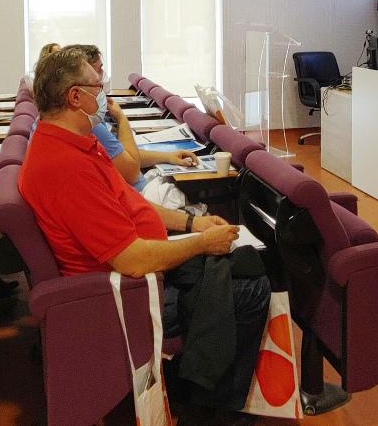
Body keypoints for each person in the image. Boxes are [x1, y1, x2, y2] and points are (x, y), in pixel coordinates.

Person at [19, 50, 270, 421]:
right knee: (251, 290)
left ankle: (196, 384)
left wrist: (191, 225)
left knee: (243, 265)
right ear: (75, 97)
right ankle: (212, 405)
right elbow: (132, 260)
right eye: (97, 87)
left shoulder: (75, 142)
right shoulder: (65, 166)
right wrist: (200, 243)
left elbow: (131, 203)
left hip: (137, 272)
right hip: (120, 295)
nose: (104, 95)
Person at [62, 44, 197, 189]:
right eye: (99, 70)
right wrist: (121, 118)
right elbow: (131, 171)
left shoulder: (89, 119)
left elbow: (122, 155)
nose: (102, 76)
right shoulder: (90, 123)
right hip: (141, 194)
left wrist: (168, 156)